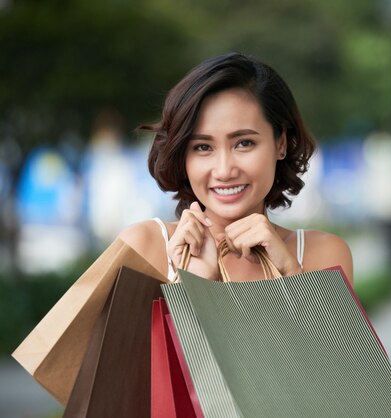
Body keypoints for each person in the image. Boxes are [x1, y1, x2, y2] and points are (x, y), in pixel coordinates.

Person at [119, 52, 353, 284]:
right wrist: (193, 285)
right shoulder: (143, 248)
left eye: (244, 143)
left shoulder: (322, 255)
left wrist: (291, 272)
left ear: (280, 142)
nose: (224, 171)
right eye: (202, 147)